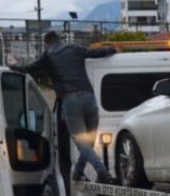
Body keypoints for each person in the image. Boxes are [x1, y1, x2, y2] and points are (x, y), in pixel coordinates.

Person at [17, 31, 117, 183]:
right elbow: (96, 52)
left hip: (70, 101)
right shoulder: (74, 48)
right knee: (89, 142)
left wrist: (13, 66)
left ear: (46, 43)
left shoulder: (48, 56)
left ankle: (102, 172)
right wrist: (112, 49)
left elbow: (30, 68)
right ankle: (78, 172)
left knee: (83, 144)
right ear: (59, 40)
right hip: (89, 98)